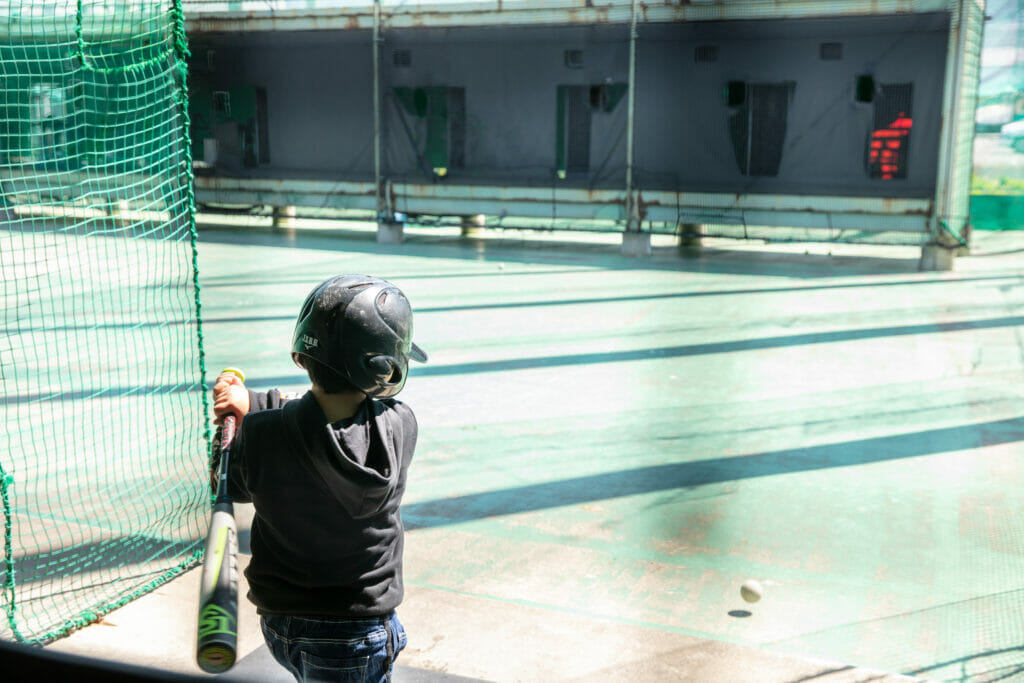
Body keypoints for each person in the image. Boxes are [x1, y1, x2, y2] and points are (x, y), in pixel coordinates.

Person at [210, 274, 428, 682]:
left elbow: (231, 481)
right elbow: (324, 425)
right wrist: (255, 406)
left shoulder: (261, 435)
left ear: (303, 354)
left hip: (280, 624)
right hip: (357, 630)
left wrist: (239, 416)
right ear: (382, 368)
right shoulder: (401, 426)